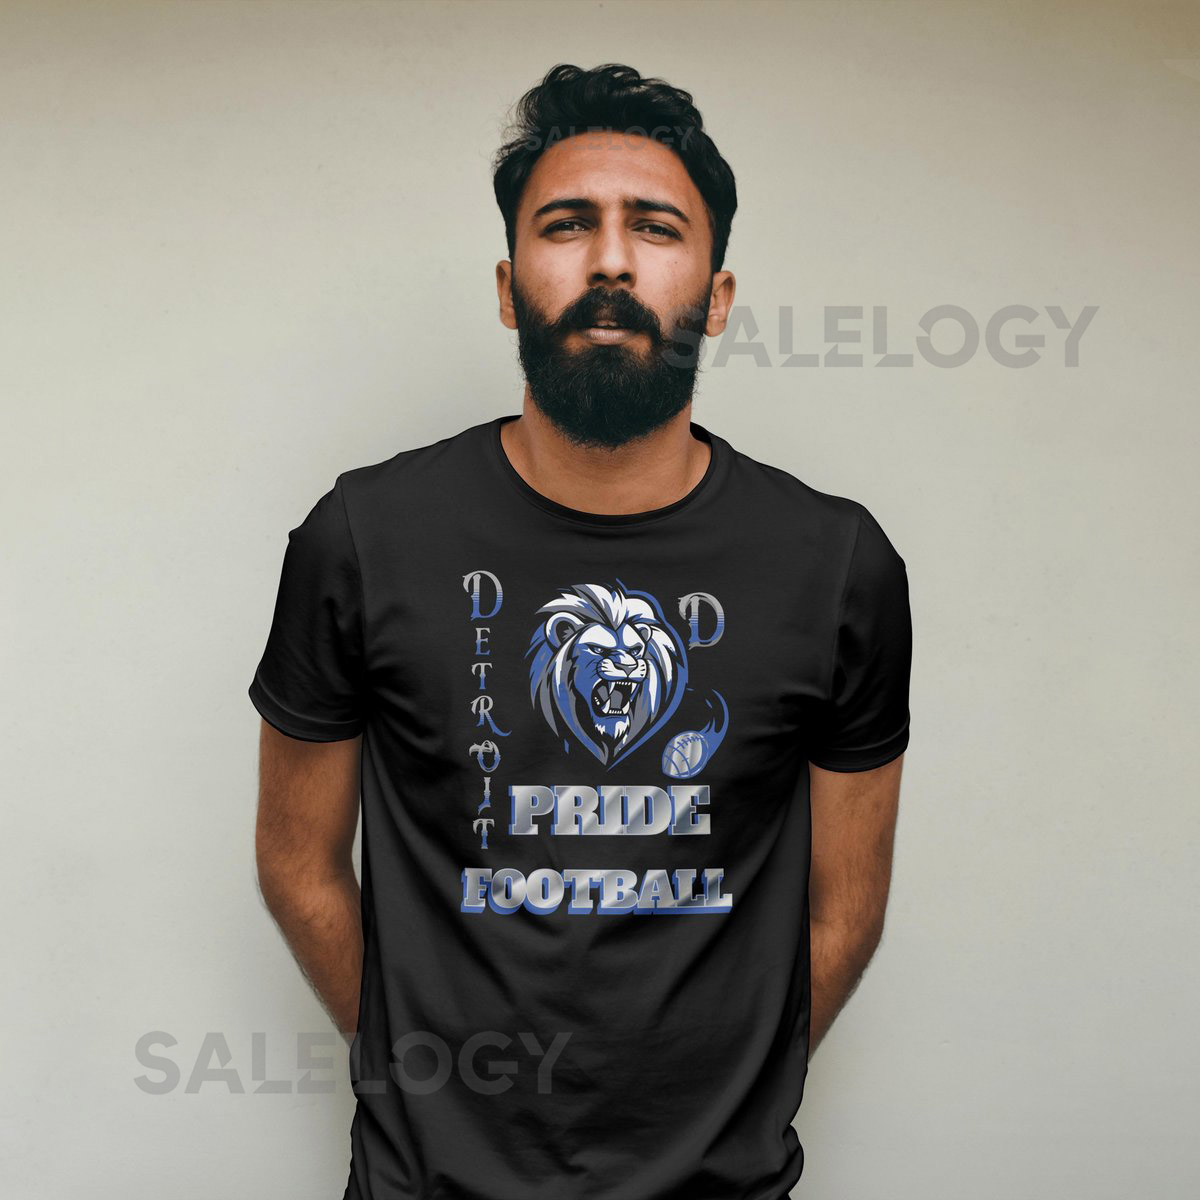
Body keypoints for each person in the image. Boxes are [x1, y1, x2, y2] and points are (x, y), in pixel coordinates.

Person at [250, 62, 912, 1200]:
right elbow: (296, 862)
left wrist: (725, 1099)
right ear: (511, 288)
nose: (610, 260)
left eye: (656, 228)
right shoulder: (363, 538)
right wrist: (425, 1079)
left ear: (717, 294)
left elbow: (845, 907)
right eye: (567, 225)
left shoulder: (835, 564)